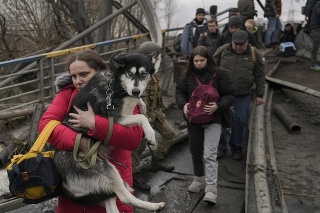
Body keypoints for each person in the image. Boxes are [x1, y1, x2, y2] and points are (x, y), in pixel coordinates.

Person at [38, 50, 144, 213]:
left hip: (112, 182)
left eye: (84, 74)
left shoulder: (120, 93)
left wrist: (96, 125)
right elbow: (45, 125)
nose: (78, 81)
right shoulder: (67, 93)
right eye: (74, 76)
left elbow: (134, 138)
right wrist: (78, 141)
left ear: (100, 71)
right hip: (76, 186)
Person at [175, 46, 237, 204]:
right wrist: (183, 104)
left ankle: (211, 189)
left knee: (209, 153)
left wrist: (218, 106)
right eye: (195, 61)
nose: (198, 64)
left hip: (213, 119)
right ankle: (198, 179)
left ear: (208, 60)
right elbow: (180, 92)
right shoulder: (186, 75)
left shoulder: (220, 74)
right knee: (195, 151)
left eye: (202, 60)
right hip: (193, 119)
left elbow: (230, 94)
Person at [213, 30, 265, 160]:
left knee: (240, 120)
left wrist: (260, 94)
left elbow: (260, 75)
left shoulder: (254, 54)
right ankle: (221, 147)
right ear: (232, 42)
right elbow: (211, 68)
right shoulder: (222, 51)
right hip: (222, 93)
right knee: (219, 120)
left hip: (242, 94)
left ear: (247, 42)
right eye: (236, 44)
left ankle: (236, 147)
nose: (238, 47)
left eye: (241, 44)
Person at [132, 41, 176, 191]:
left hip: (154, 113)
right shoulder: (138, 74)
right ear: (153, 56)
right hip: (142, 117)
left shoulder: (150, 70)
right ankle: (134, 175)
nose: (158, 59)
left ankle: (156, 161)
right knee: (139, 146)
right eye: (157, 56)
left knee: (169, 133)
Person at [305, 0, 320, 71]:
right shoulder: (318, 5)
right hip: (316, 28)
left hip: (317, 27)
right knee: (316, 46)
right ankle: (313, 63)